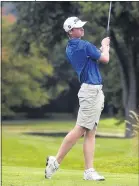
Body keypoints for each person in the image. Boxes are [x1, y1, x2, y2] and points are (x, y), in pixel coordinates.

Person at [45, 16, 110, 181]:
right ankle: (56, 161)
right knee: (81, 129)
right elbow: (105, 59)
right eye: (78, 27)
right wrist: (105, 46)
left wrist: (101, 48)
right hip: (90, 91)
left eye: (82, 26)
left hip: (92, 90)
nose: (82, 29)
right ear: (70, 31)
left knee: (90, 132)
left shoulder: (71, 47)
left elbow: (93, 57)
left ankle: (89, 171)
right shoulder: (84, 45)